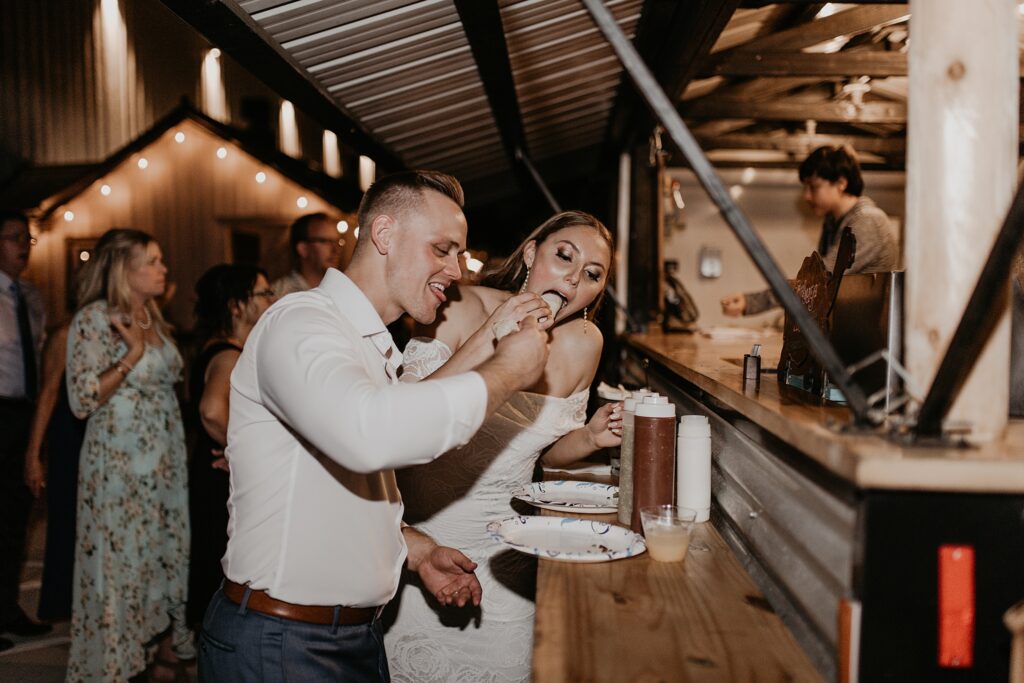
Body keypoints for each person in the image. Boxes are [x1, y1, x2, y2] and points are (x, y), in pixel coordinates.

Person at [197, 170, 550, 682]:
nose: (457, 269)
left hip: (349, 639)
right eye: (443, 249)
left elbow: (349, 478)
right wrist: (507, 371)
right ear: (384, 235)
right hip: (283, 643)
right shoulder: (302, 323)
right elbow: (368, 435)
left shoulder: (368, 345)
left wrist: (409, 547)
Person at [384, 210, 623, 683]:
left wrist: (591, 436)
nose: (574, 278)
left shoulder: (584, 342)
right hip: (423, 548)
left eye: (592, 274)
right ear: (531, 254)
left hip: (505, 561)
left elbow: (543, 456)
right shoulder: (458, 305)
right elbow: (398, 422)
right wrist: (494, 336)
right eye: (564, 256)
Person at [65, 228, 190, 682]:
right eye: (153, 261)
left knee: (158, 559)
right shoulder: (95, 319)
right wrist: (132, 354)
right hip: (116, 467)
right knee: (119, 566)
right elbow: (81, 400)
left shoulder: (153, 314)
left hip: (163, 466)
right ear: (124, 268)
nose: (163, 269)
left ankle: (153, 660)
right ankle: (113, 668)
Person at [186, 264, 275, 627]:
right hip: (219, 474)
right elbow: (210, 412)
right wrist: (243, 449)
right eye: (264, 293)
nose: (272, 299)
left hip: (212, 469)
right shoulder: (228, 355)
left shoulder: (222, 349)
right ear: (237, 306)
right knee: (220, 559)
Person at [720, 145, 899, 317]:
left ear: (841, 183)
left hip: (867, 340)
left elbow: (817, 281)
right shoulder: (833, 223)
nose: (806, 195)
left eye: (813, 187)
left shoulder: (867, 222)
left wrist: (752, 303)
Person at [0, 210, 51, 652]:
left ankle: (8, 606)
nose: (24, 245)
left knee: (17, 515)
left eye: (27, 238)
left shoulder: (32, 296)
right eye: (14, 237)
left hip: (25, 414)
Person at [23, 322, 86, 623]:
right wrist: (34, 454)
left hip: (103, 431)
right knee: (66, 518)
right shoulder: (66, 333)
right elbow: (48, 393)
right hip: (70, 434)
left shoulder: (127, 326)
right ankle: (61, 604)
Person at [270, 212, 342, 297]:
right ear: (303, 249)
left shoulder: (341, 291)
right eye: (324, 241)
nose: (335, 249)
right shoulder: (280, 294)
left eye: (337, 242)